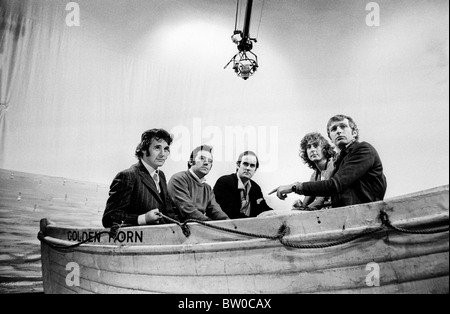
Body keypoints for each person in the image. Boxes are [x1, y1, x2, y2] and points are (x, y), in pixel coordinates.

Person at [270, 114, 387, 208]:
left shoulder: (363, 149)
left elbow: (333, 186)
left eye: (343, 126)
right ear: (331, 137)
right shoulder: (340, 160)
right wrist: (303, 206)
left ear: (354, 133)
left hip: (367, 217)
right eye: (334, 129)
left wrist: (294, 187)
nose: (339, 131)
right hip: (347, 217)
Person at [102, 128, 179, 228]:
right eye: (157, 148)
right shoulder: (128, 176)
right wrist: (143, 219)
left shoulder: (161, 176)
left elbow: (169, 213)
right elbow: (109, 218)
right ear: (143, 149)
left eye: (166, 149)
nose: (163, 154)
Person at [167, 145, 229, 221]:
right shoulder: (179, 179)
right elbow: (189, 212)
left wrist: (229, 224)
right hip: (178, 229)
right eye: (202, 158)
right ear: (190, 161)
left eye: (210, 161)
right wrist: (212, 225)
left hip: (198, 227)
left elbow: (216, 210)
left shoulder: (207, 188)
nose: (206, 163)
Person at [213, 151, 274, 219]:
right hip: (225, 226)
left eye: (252, 165)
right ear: (238, 165)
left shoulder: (255, 187)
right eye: (245, 164)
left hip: (247, 225)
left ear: (255, 170)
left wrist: (277, 215)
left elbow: (263, 208)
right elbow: (230, 213)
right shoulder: (224, 182)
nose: (248, 168)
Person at [292, 132, 335, 210]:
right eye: (309, 147)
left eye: (315, 146)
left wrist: (305, 209)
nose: (312, 150)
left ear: (324, 149)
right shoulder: (315, 174)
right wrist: (300, 206)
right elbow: (307, 199)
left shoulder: (332, 166)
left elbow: (322, 198)